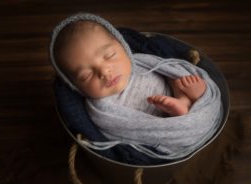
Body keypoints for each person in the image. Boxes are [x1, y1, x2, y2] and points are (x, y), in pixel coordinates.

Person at [52, 20, 206, 117]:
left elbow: (169, 69)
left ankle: (188, 100)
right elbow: (127, 131)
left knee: (179, 78)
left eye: (110, 55)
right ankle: (181, 113)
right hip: (157, 125)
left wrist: (181, 89)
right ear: (76, 87)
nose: (105, 72)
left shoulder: (140, 62)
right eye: (86, 75)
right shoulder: (102, 108)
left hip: (175, 93)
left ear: (123, 46)